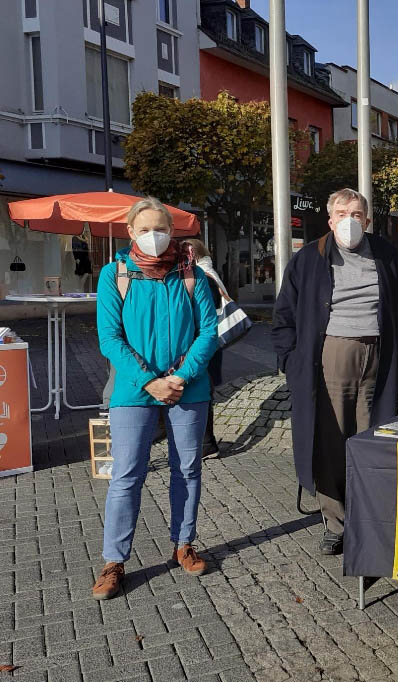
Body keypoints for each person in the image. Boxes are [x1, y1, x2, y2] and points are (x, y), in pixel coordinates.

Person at [272, 188, 398, 555]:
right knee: (331, 439)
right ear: (330, 218)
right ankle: (335, 522)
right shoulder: (309, 258)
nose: (349, 220)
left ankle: (371, 519)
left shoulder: (386, 254)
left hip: (378, 355)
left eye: (356, 214)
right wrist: (291, 362)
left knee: (373, 438)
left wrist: (397, 349)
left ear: (367, 220)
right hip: (332, 353)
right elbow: (284, 315)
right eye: (342, 213)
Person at [92, 197, 219, 599]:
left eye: (160, 228)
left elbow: (208, 333)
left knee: (188, 469)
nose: (153, 236)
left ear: (172, 231)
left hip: (188, 387)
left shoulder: (192, 275)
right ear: (130, 231)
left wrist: (180, 376)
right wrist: (149, 381)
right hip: (133, 391)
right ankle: (114, 561)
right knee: (127, 475)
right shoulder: (114, 275)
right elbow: (109, 338)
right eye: (145, 229)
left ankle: (184, 543)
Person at [183, 239, 227, 458]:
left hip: (206, 343)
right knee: (204, 390)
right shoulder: (207, 271)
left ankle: (207, 442)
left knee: (203, 391)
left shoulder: (203, 276)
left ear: (193, 255)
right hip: (208, 343)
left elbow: (206, 314)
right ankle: (205, 442)